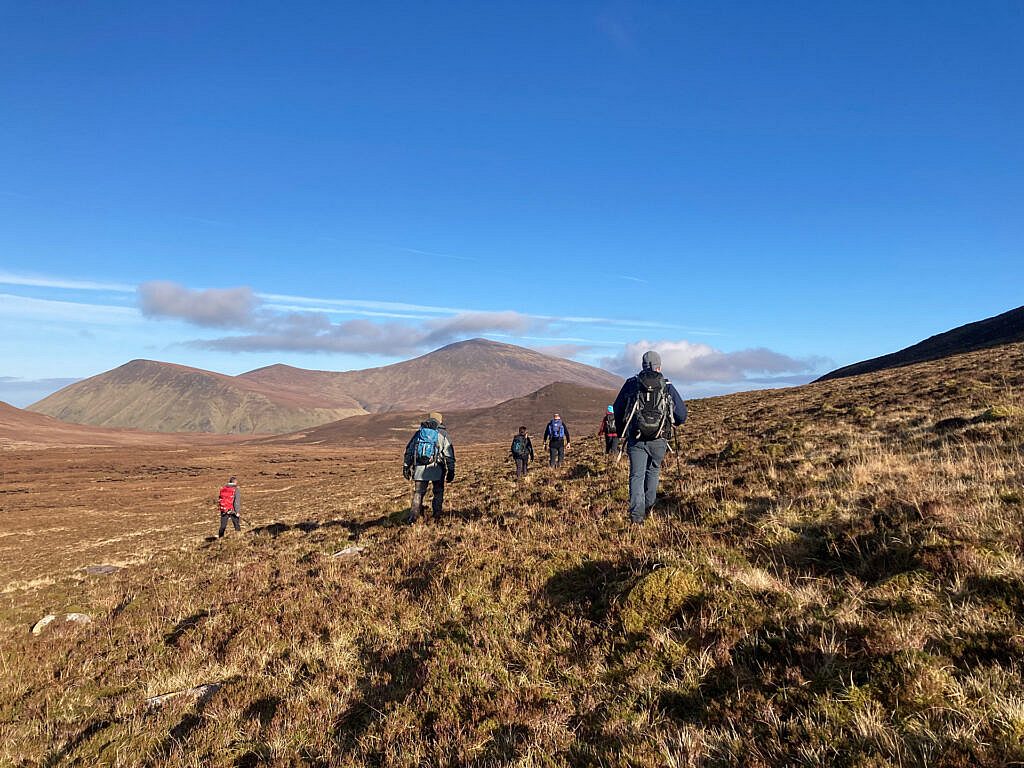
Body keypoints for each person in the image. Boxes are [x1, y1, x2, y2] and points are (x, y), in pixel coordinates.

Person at [613, 351, 687, 525]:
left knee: (636, 476)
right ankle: (649, 509)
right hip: (659, 439)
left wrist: (622, 432)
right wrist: (672, 422)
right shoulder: (667, 385)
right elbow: (682, 415)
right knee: (653, 472)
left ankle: (637, 518)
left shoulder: (631, 384)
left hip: (636, 439)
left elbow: (617, 410)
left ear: (643, 365)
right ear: (659, 366)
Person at [402, 411, 456, 523]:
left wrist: (406, 466)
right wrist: (451, 471)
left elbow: (409, 450)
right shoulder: (443, 434)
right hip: (437, 469)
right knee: (438, 492)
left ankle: (413, 517)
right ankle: (436, 516)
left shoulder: (419, 433)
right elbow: (449, 454)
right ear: (440, 421)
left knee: (419, 492)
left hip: (419, 469)